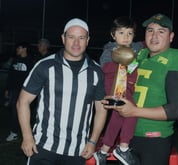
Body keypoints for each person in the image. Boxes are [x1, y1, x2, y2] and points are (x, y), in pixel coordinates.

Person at [102, 13, 178, 165]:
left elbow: (175, 110)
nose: (154, 36)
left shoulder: (177, 57)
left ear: (171, 37)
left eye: (161, 31)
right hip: (128, 137)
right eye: (150, 30)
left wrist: (133, 111)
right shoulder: (140, 55)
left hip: (154, 140)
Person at [16, 18, 107, 165]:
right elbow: (23, 102)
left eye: (81, 38)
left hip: (78, 150)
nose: (76, 43)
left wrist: (93, 141)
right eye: (71, 37)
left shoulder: (97, 71)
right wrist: (27, 137)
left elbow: (101, 109)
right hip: (43, 146)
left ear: (88, 40)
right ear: (63, 38)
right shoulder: (45, 66)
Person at [94, 16, 144, 165]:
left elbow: (146, 43)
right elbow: (104, 67)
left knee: (117, 118)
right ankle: (123, 147)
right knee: (132, 111)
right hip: (116, 86)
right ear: (113, 34)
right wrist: (122, 62)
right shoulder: (110, 49)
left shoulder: (135, 47)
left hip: (128, 86)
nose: (126, 37)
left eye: (130, 33)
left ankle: (103, 151)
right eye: (121, 33)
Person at [5, 42, 34, 142]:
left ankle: (17, 132)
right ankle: (15, 132)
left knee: (22, 111)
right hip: (14, 90)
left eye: (19, 48)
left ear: (24, 48)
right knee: (14, 111)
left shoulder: (30, 61)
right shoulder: (15, 60)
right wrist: (7, 89)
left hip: (25, 91)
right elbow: (10, 75)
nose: (17, 49)